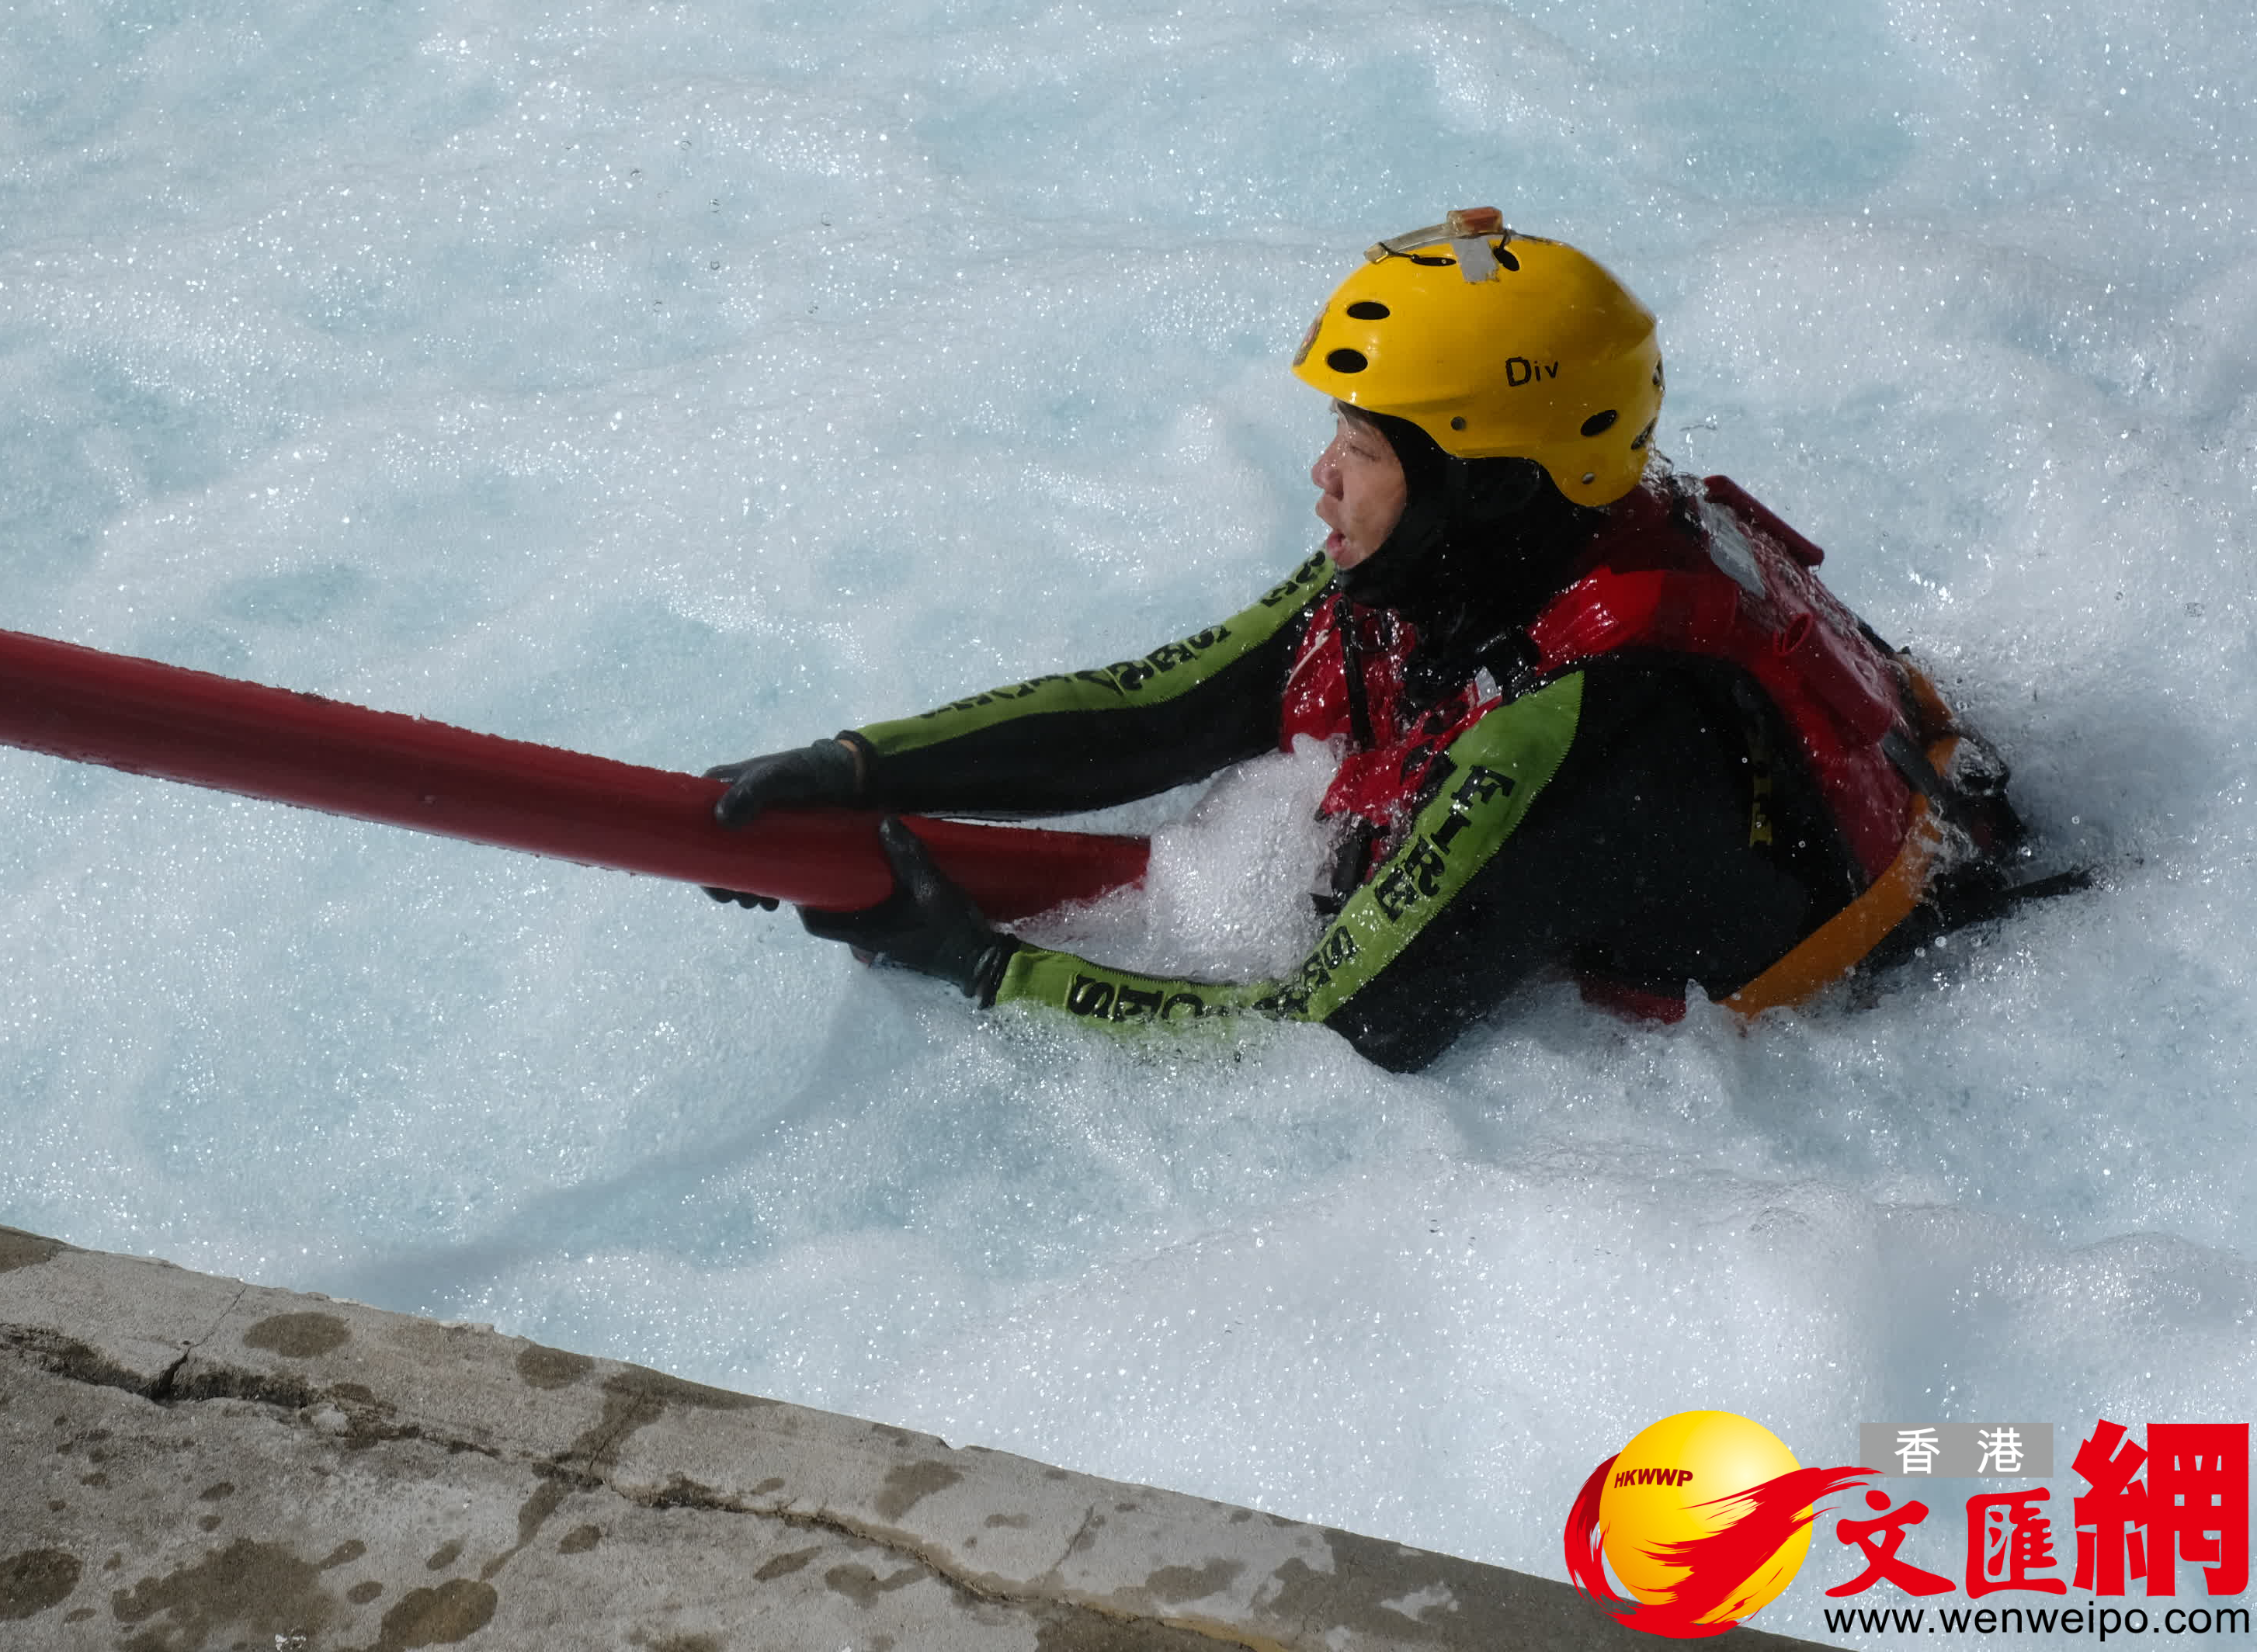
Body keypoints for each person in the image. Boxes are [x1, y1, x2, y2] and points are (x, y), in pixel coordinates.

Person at [704, 208, 2056, 1072]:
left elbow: (1329, 1036)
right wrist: (860, 765)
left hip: (1880, 1038)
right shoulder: (1495, 552)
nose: (1321, 481)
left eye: (1360, 449)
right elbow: (1173, 705)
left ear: (1494, 480)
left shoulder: (1587, 724)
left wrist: (982, 970)